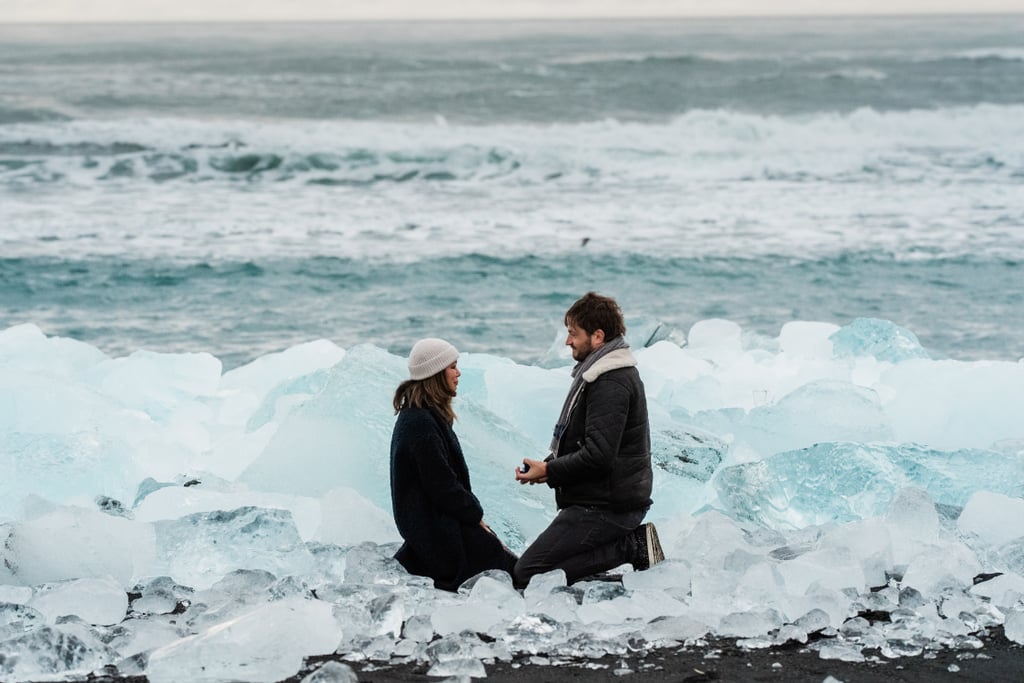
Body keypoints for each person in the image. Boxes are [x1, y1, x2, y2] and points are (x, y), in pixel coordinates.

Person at [513, 292, 663, 587]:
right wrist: (548, 467)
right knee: (554, 571)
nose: (568, 341)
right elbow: (589, 444)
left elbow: (599, 455)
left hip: (606, 506)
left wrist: (551, 471)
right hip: (602, 499)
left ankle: (632, 546)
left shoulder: (611, 381)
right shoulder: (602, 374)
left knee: (527, 575)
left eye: (572, 333)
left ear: (597, 336)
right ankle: (627, 583)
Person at [390, 337, 517, 591]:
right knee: (511, 574)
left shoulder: (424, 415)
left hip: (440, 526)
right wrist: (476, 517)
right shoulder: (419, 423)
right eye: (452, 367)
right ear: (436, 374)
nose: (458, 373)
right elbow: (442, 486)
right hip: (437, 535)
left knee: (511, 565)